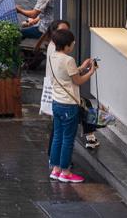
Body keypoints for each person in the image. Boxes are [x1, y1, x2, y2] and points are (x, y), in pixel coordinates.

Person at [44, 26, 97, 184]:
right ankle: (66, 171)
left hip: (57, 103)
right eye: (72, 44)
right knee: (68, 139)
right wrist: (91, 71)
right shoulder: (68, 60)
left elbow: (68, 74)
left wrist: (83, 66)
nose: (73, 45)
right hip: (69, 105)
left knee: (57, 138)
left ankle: (56, 169)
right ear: (67, 45)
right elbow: (78, 81)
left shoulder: (52, 56)